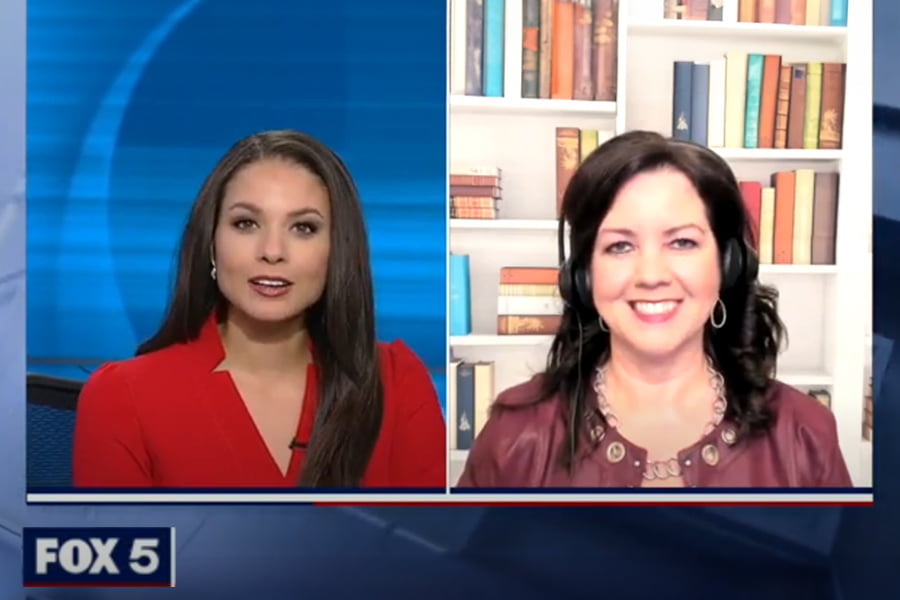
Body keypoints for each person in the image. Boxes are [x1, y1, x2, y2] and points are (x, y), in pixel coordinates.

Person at [457, 130, 852, 489]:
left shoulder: (805, 434)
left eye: (681, 242)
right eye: (620, 246)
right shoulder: (515, 436)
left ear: (728, 266)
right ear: (583, 277)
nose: (651, 275)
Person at [72, 129, 446, 489]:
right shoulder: (122, 397)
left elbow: (432, 549)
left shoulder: (394, 382)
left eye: (303, 228)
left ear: (337, 251)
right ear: (211, 243)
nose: (272, 251)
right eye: (246, 223)